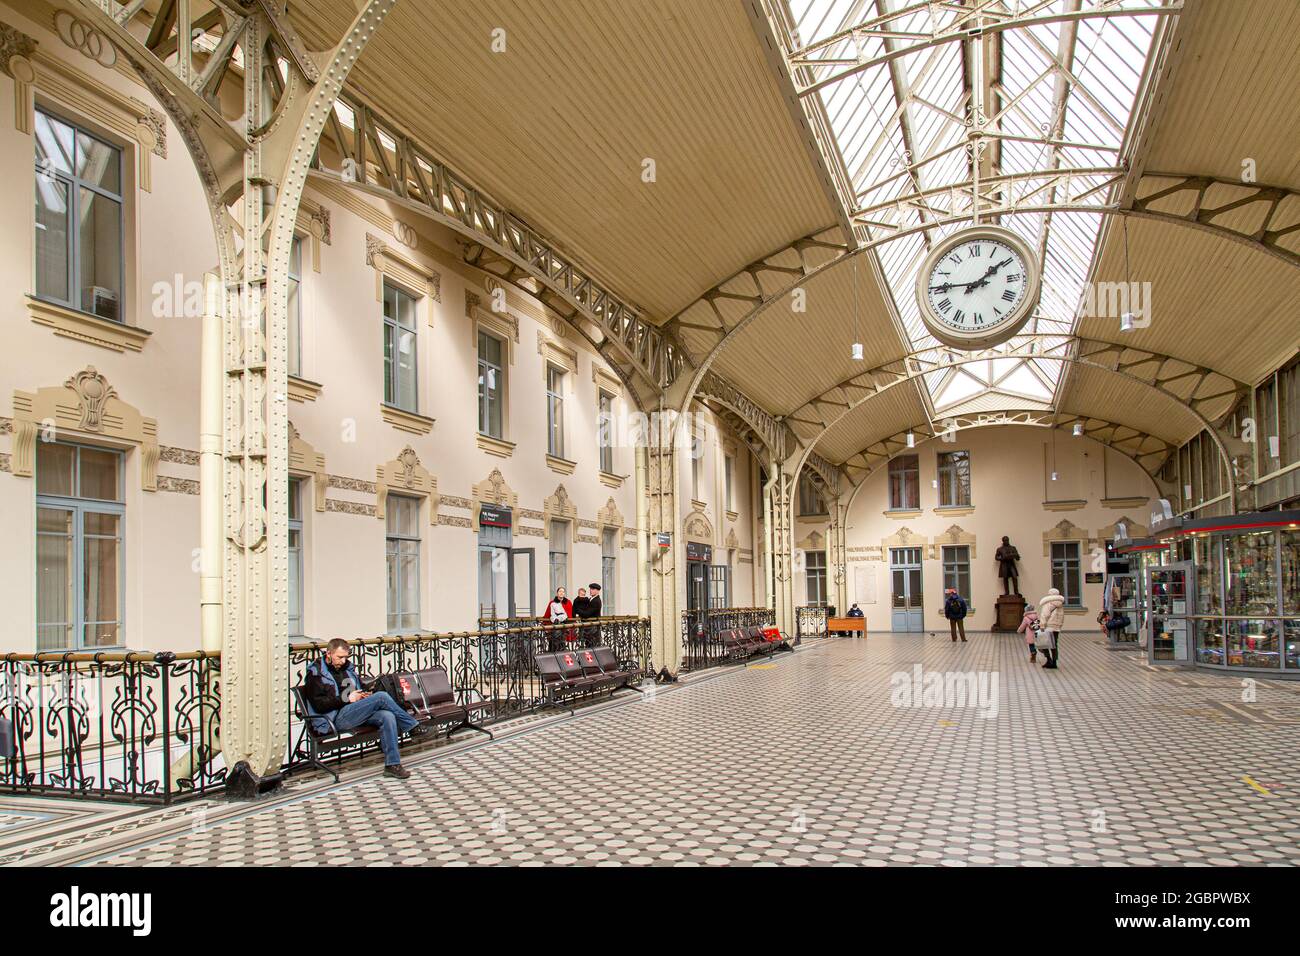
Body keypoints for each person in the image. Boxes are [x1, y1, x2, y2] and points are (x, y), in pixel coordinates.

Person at [302, 639, 428, 779]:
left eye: (346, 657)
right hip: (333, 718)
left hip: (354, 712)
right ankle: (412, 727)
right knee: (381, 697)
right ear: (328, 654)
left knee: (387, 715)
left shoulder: (347, 669)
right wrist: (347, 699)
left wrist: (364, 694)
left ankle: (392, 765)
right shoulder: (315, 674)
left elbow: (358, 688)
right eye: (340, 657)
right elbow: (319, 705)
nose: (343, 661)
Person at [1037, 587, 1066, 669]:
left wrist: (1042, 625)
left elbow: (1044, 615)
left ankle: (1048, 660)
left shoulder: (1049, 604)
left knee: (1044, 644)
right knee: (1054, 645)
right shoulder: (1060, 605)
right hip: (1056, 628)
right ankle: (1054, 662)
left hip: (1048, 627)